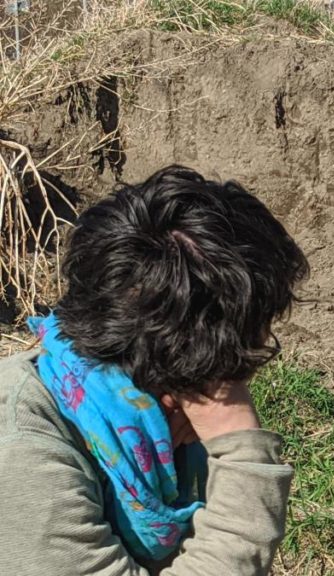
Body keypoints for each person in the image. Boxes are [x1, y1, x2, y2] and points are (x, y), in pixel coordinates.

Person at [0, 165, 309, 575]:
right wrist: (241, 449)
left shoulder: (121, 412)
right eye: (232, 376)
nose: (240, 390)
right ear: (181, 387)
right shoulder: (25, 457)